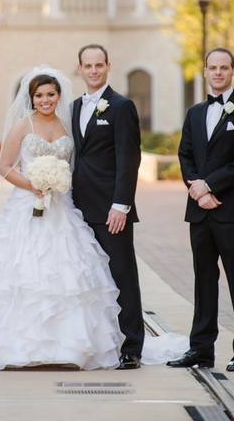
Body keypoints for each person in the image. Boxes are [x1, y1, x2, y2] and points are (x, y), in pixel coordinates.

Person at [0, 69, 124, 372]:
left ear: (58, 96)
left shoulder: (68, 126)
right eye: (39, 95)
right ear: (31, 98)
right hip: (26, 206)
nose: (45, 100)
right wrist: (31, 185)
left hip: (61, 209)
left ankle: (66, 347)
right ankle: (17, 345)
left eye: (50, 94)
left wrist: (57, 183)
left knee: (67, 275)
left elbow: (76, 166)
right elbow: (5, 167)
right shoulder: (23, 126)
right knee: (21, 272)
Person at [167, 48, 234, 372]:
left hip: (232, 211)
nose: (218, 72)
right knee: (203, 281)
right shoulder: (194, 112)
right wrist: (196, 189)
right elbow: (186, 155)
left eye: (224, 68)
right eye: (213, 67)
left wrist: (210, 186)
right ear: (205, 71)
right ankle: (201, 350)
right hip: (200, 211)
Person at [72, 45, 144, 370]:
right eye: (88, 66)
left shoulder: (121, 106)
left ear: (108, 66)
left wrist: (121, 204)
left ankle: (132, 345)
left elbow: (129, 158)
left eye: (99, 65)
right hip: (77, 209)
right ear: (80, 69)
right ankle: (102, 341)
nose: (93, 70)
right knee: (91, 279)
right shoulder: (73, 107)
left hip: (111, 209)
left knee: (121, 275)